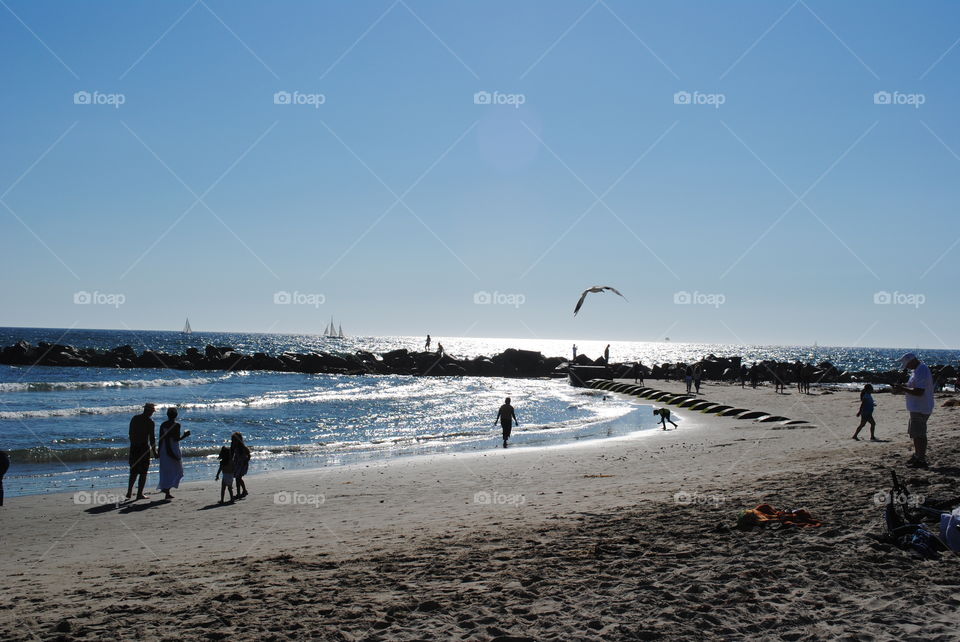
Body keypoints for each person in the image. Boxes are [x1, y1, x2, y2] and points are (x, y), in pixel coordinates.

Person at [892, 353, 935, 468]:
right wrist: (902, 388)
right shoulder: (917, 370)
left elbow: (919, 391)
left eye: (906, 364)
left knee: (919, 434)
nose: (906, 367)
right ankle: (917, 456)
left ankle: (921, 459)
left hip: (921, 407)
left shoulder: (921, 371)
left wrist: (902, 388)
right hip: (917, 407)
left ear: (912, 361)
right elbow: (914, 387)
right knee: (915, 434)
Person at [157, 407, 190, 500]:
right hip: (173, 447)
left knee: (166, 469)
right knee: (177, 468)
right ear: (176, 415)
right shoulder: (176, 425)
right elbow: (176, 439)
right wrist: (185, 435)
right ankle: (167, 489)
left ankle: (166, 490)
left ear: (167, 415)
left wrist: (158, 451)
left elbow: (160, 438)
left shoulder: (163, 424)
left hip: (164, 447)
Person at [126, 403, 157, 500]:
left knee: (133, 471)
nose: (152, 413)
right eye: (152, 411)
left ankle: (129, 491)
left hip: (134, 446)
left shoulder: (135, 418)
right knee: (143, 472)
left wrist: (133, 443)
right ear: (149, 411)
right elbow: (152, 438)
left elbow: (130, 433)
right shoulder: (150, 422)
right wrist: (154, 452)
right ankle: (139, 493)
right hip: (144, 447)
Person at [231, 432, 251, 498]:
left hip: (242, 464)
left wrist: (246, 461)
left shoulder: (242, 447)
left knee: (238, 478)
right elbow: (232, 455)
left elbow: (249, 455)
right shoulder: (234, 447)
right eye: (233, 440)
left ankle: (239, 493)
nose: (233, 441)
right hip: (237, 464)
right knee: (238, 478)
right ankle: (243, 491)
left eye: (235, 440)